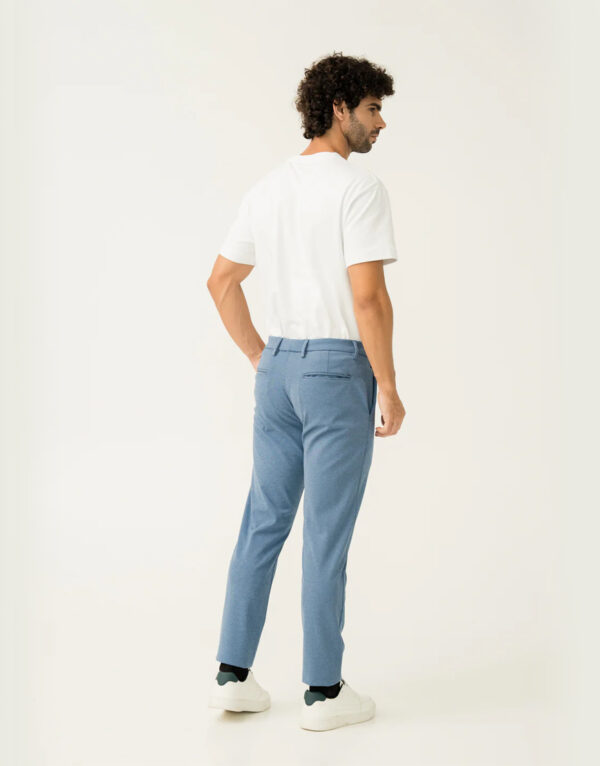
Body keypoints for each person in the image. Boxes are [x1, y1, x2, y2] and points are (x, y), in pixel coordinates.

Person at [206, 51, 406, 731]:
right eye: (373, 109)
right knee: (326, 532)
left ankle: (232, 676)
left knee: (263, 522)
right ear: (339, 108)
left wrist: (261, 357)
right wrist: (389, 385)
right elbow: (369, 299)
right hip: (336, 370)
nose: (381, 124)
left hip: (280, 371)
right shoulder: (358, 188)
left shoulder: (268, 188)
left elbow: (221, 281)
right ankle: (323, 691)